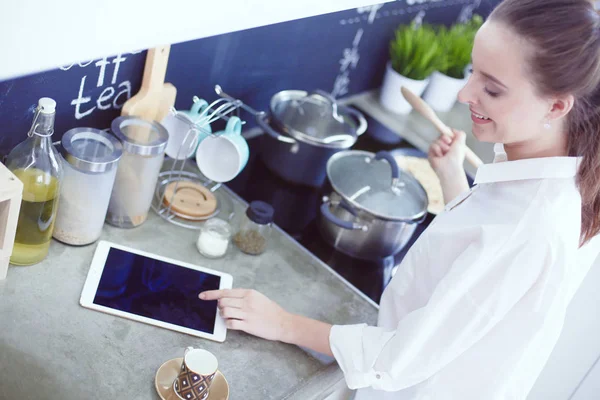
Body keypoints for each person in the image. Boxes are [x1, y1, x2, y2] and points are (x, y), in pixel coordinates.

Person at [200, 0, 600, 398]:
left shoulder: (531, 224)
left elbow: (396, 360)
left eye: (492, 89)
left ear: (558, 105)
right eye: (472, 71)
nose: (464, 94)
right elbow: (479, 261)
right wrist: (452, 179)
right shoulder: (546, 169)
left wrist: (284, 323)